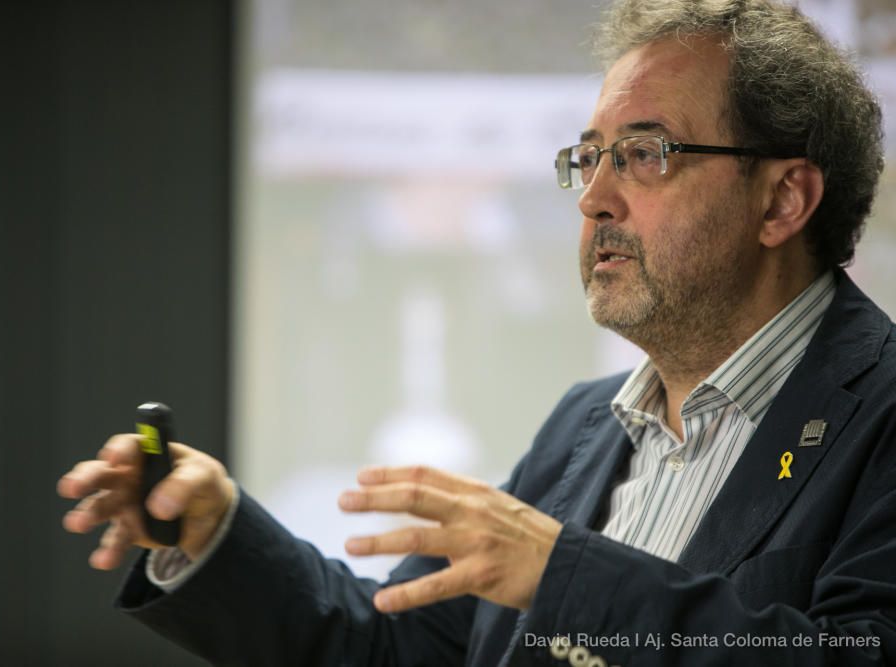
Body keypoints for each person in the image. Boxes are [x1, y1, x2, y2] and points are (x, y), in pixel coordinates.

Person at [58, 0, 894, 665]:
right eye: (588, 157)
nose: (593, 197)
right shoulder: (583, 426)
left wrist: (563, 575)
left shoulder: (880, 412)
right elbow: (398, 647)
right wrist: (219, 536)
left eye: (644, 155)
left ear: (783, 201)